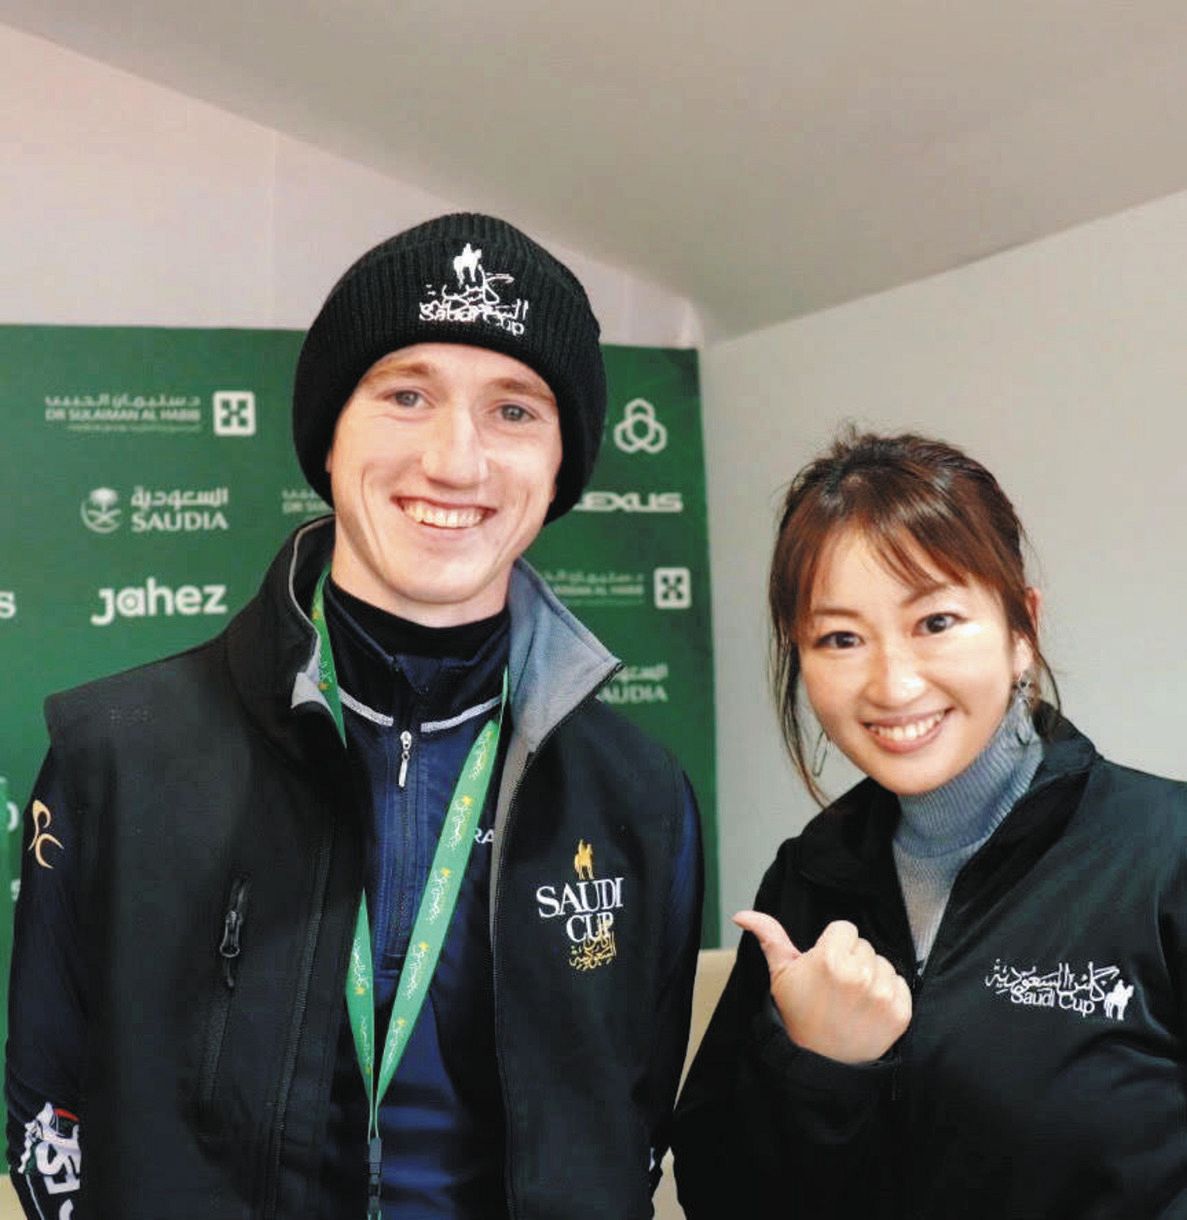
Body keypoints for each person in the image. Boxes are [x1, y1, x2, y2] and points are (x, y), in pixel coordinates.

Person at [7, 213, 702, 1219]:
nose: (455, 461)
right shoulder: (117, 755)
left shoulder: (638, 794)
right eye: (407, 395)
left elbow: (633, 1134)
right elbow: (50, 1123)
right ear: (329, 437)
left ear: (561, 465)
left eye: (513, 409)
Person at [673, 430, 1187, 1218]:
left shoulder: (1163, 853)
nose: (892, 683)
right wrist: (820, 1067)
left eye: (935, 622)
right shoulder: (808, 878)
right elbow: (719, 1195)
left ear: (1022, 630)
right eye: (840, 638)